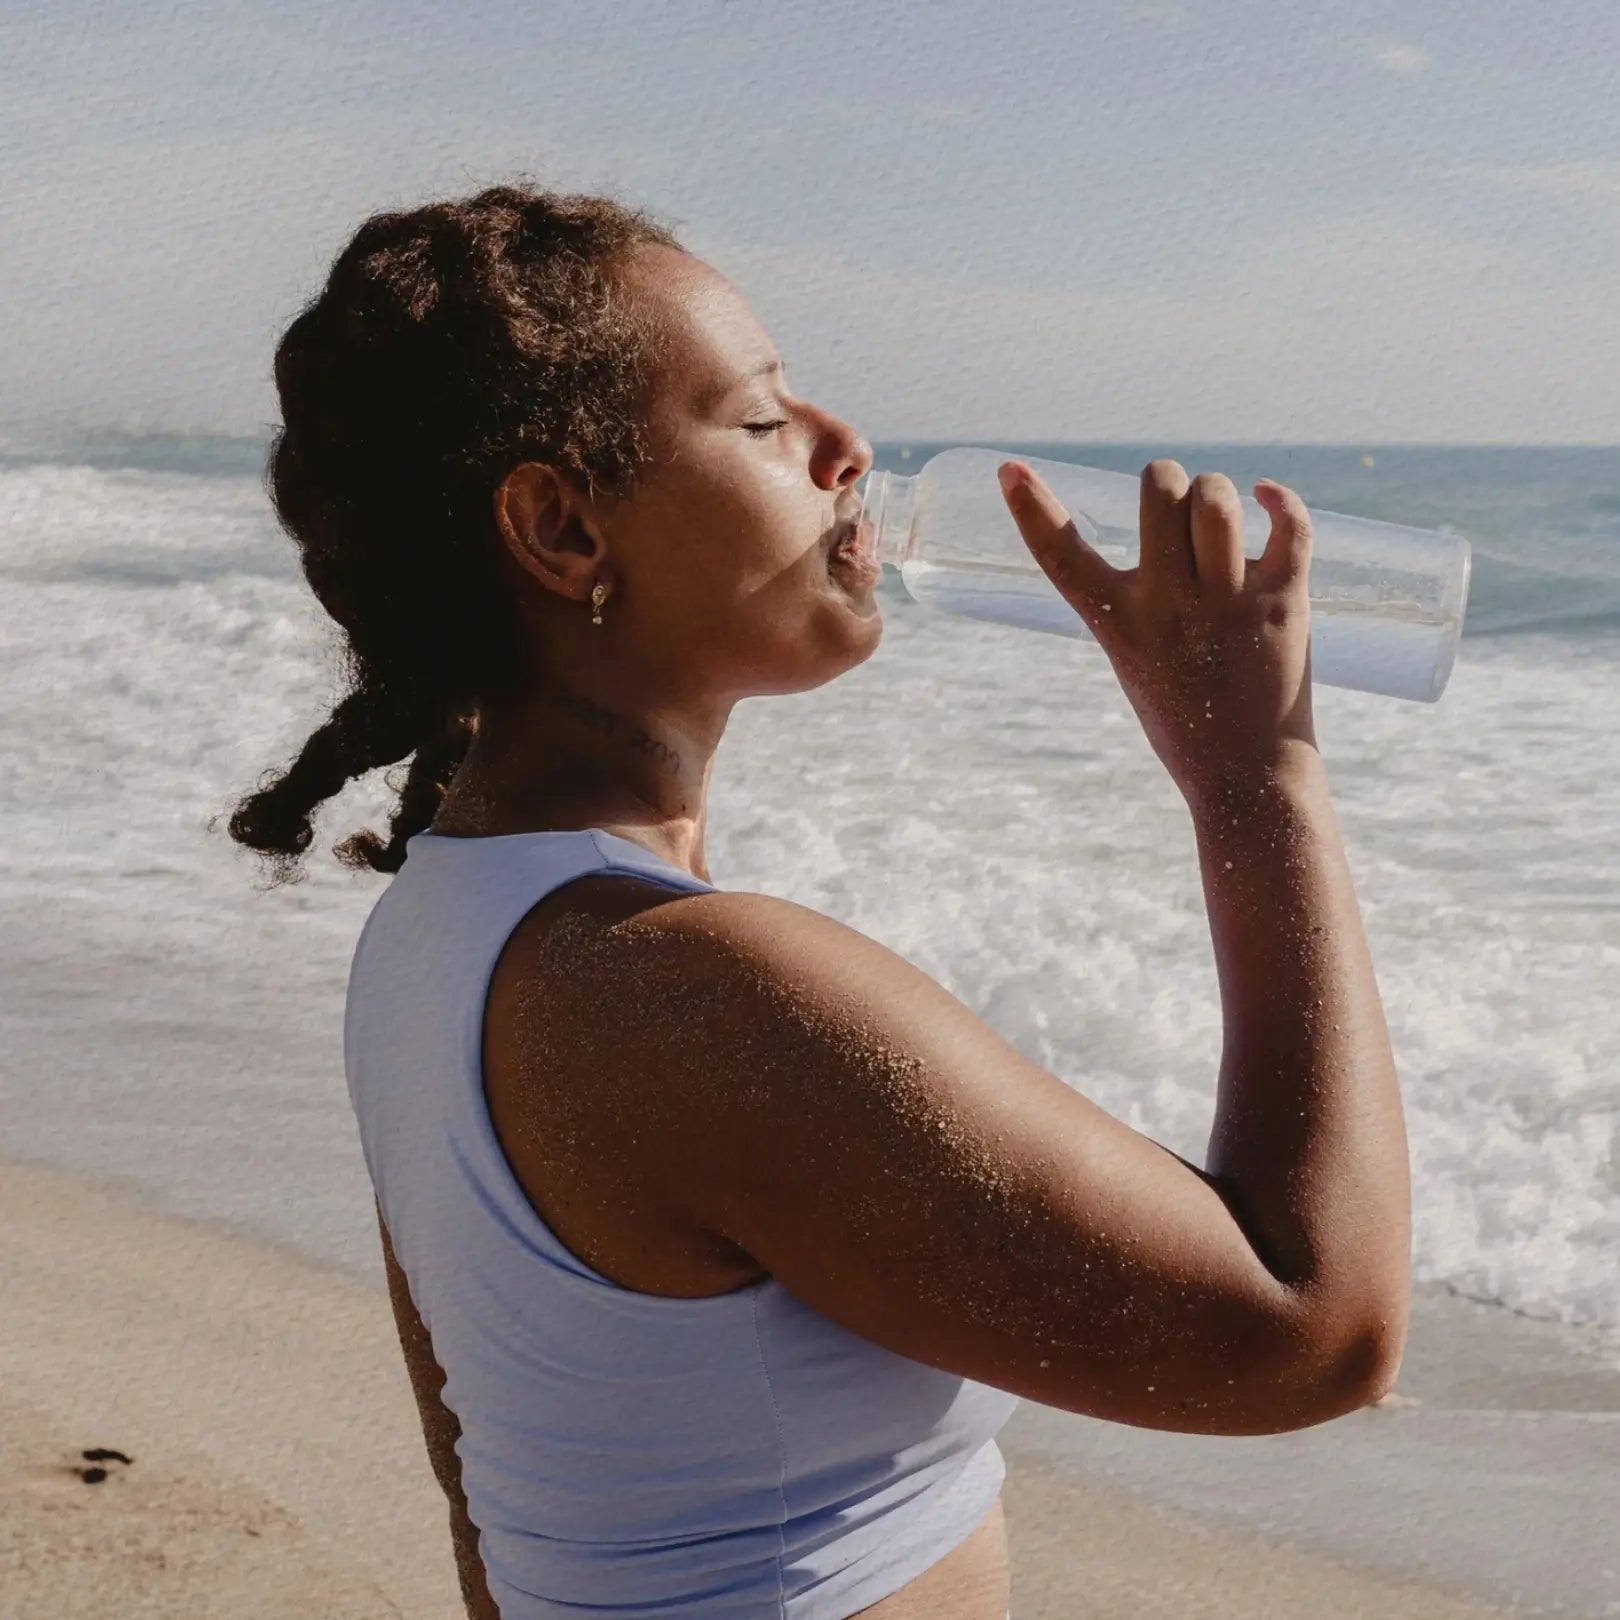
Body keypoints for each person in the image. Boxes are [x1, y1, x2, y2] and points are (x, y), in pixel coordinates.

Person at [228, 181, 1411, 1620]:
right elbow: (1314, 1330)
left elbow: (488, 1505)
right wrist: (1251, 772)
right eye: (761, 421)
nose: (847, 448)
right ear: (561, 527)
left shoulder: (430, 937)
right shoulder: (692, 990)